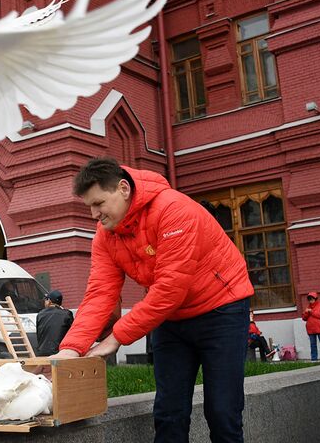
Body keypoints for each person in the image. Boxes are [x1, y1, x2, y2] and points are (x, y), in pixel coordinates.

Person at [51, 157, 254, 443]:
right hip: (170, 318)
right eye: (90, 207)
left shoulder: (174, 209)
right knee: (169, 412)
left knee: (222, 412)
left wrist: (116, 338)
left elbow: (171, 287)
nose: (94, 214)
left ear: (123, 188)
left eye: (99, 204)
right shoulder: (106, 234)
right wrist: (71, 348)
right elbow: (100, 293)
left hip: (221, 310)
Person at [35, 290, 74, 356]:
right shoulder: (67, 314)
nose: (44, 302)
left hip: (42, 352)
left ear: (49, 301)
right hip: (59, 352)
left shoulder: (40, 314)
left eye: (46, 299)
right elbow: (73, 333)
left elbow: (39, 335)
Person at [302, 291, 320, 361]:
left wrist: (311, 311)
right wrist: (306, 312)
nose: (310, 300)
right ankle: (314, 360)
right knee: (313, 345)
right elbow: (304, 318)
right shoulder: (308, 307)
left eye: (312, 299)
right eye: (309, 299)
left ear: (315, 298)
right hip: (311, 329)